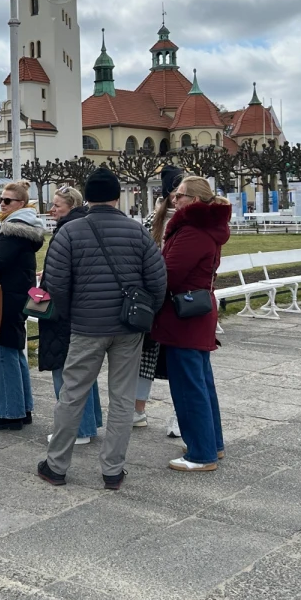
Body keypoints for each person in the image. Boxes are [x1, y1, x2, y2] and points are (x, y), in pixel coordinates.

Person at [40, 167, 166, 489]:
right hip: (128, 327)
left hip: (86, 326)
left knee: (72, 395)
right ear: (116, 197)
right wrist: (145, 313)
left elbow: (55, 284)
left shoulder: (69, 232)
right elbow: (157, 280)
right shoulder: (137, 231)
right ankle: (113, 469)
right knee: (122, 398)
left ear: (87, 198)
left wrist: (73, 314)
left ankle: (56, 465)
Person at [151, 175, 231, 472]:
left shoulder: (192, 231)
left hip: (183, 316)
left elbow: (169, 275)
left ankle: (201, 454)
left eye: (180, 195)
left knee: (188, 388)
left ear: (195, 200)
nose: (174, 199)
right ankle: (211, 443)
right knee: (201, 383)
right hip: (196, 312)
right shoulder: (206, 227)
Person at [37, 185, 101, 446]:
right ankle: (90, 423)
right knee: (84, 372)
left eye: (57, 205)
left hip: (63, 311)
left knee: (64, 373)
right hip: (84, 308)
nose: (52, 209)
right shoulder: (86, 225)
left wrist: (45, 293)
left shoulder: (66, 230)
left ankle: (77, 430)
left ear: (71, 206)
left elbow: (60, 277)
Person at [0, 180, 44, 430]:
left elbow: (0, 262)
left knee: (3, 355)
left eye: (7, 200)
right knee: (15, 353)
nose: (2, 203)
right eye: (0, 199)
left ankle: (11, 413)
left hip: (6, 298)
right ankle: (23, 408)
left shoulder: (12, 228)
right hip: (19, 295)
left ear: (21, 203)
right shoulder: (26, 226)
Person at [137, 166, 183, 436]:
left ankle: (180, 415)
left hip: (180, 299)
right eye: (176, 192)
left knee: (180, 360)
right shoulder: (153, 219)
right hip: (155, 298)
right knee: (145, 356)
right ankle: (137, 410)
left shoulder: (192, 221)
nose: (179, 198)